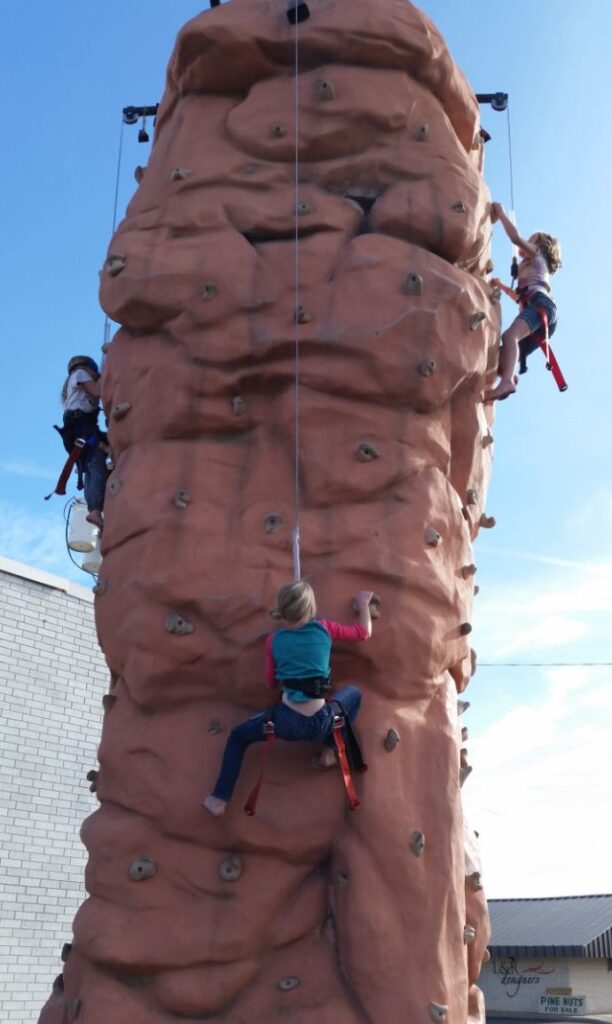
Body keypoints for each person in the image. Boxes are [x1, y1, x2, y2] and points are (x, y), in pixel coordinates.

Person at [203, 580, 374, 817]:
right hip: (321, 722)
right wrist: (363, 604)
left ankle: (219, 799)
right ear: (311, 608)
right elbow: (363, 633)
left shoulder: (274, 641)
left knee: (238, 737)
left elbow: (270, 682)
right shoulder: (325, 629)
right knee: (353, 694)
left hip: (285, 722)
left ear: (282, 610)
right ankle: (329, 750)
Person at [486, 202, 562, 401]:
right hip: (537, 307)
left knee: (509, 337)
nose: (527, 243)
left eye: (532, 240)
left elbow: (514, 238)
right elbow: (519, 297)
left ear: (541, 246)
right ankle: (509, 377)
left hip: (541, 305)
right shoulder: (528, 270)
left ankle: (508, 381)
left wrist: (501, 215)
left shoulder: (538, 254)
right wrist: (502, 287)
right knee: (503, 360)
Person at [60, 356, 108, 528]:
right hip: (82, 429)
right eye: (94, 369)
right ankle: (94, 510)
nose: (96, 373)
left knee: (90, 468)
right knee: (96, 466)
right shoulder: (80, 374)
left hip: (78, 431)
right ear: (86, 367)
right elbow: (97, 391)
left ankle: (93, 509)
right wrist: (106, 375)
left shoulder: (73, 385)